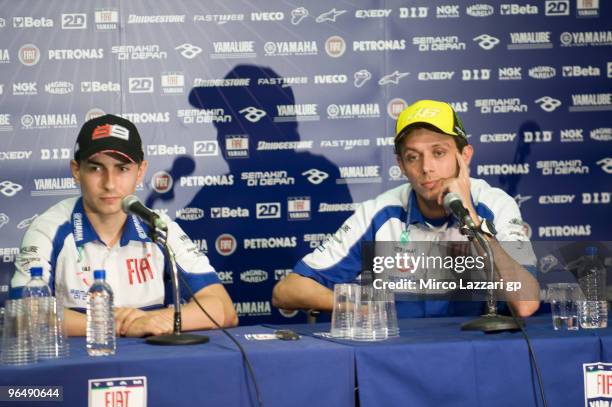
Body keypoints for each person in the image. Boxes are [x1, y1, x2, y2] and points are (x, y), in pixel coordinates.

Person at [272, 100, 541, 318]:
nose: (426, 168)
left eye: (439, 153)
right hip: (397, 360)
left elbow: (526, 304)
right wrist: (362, 310)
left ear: (465, 156)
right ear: (401, 164)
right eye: (413, 157)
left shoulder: (494, 205)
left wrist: (469, 215)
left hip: (477, 358)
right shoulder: (379, 213)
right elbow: (287, 291)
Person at [10, 114, 238, 336]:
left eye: (122, 169)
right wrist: (115, 325)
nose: (109, 184)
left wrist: (156, 320)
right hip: (76, 368)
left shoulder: (158, 226)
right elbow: (21, 315)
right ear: (76, 171)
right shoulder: (49, 228)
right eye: (96, 168)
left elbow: (224, 309)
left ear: (140, 172)